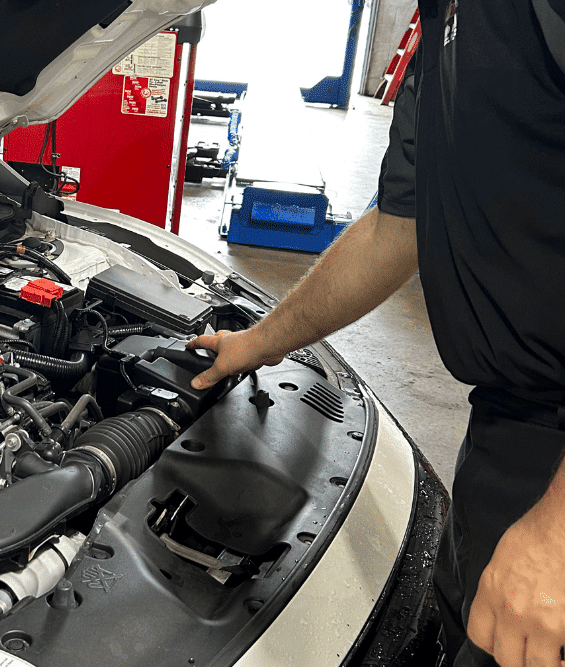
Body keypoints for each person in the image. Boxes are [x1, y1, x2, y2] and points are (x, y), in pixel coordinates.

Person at [186, 1, 565, 666]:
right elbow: (397, 226)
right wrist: (263, 340)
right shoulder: (445, 22)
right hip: (505, 434)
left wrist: (558, 536)